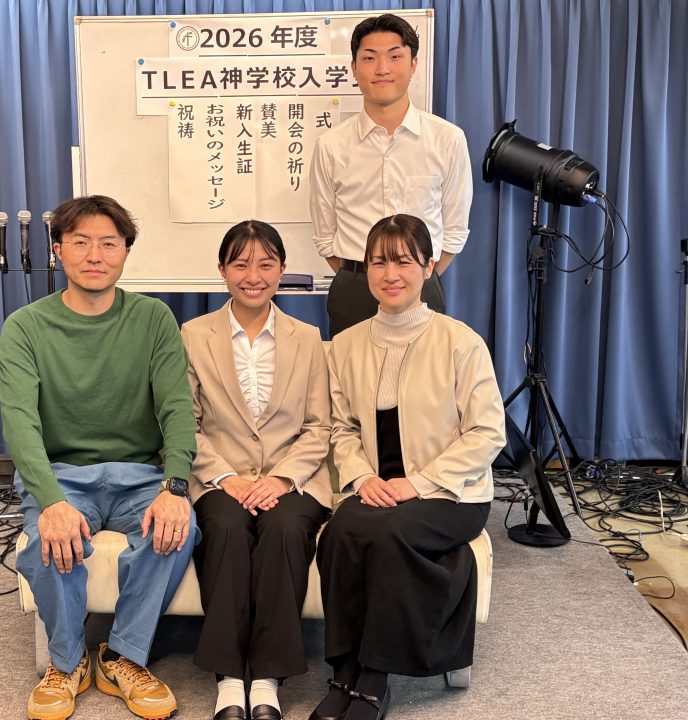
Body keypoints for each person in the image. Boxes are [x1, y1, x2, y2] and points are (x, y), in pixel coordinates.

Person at [0, 195, 198, 720]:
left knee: (177, 530)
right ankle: (67, 663)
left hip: (139, 474)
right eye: (81, 242)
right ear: (58, 249)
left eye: (109, 243)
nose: (95, 255)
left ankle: (122, 657)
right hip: (62, 475)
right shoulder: (25, 326)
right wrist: (50, 500)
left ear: (125, 252)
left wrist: (175, 488)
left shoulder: (153, 319)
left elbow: (178, 409)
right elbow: (20, 423)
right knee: (50, 539)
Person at [310, 214, 505, 720]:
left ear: (427, 267)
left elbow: (487, 433)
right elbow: (341, 428)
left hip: (451, 494)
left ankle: (375, 678)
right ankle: (344, 671)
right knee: (340, 534)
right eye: (379, 262)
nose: (390, 273)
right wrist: (363, 478)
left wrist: (416, 483)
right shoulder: (346, 345)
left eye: (403, 261)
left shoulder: (461, 342)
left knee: (389, 534)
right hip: (374, 487)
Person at [181, 220, 332, 720]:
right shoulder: (193, 335)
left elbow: (319, 426)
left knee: (285, 529)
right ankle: (228, 679)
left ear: (282, 270)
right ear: (222, 269)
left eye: (266, 264)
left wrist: (282, 479)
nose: (254, 275)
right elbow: (186, 424)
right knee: (224, 528)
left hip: (293, 478)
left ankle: (267, 679)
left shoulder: (307, 337)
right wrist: (228, 478)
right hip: (219, 476)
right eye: (241, 264)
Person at [309, 13, 473, 336]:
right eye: (369, 58)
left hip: (421, 287)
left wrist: (415, 274)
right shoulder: (331, 145)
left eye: (395, 57)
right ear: (354, 68)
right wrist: (363, 273)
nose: (382, 68)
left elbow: (455, 230)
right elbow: (325, 236)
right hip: (354, 290)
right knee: (349, 370)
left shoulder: (447, 139)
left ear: (413, 65)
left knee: (425, 371)